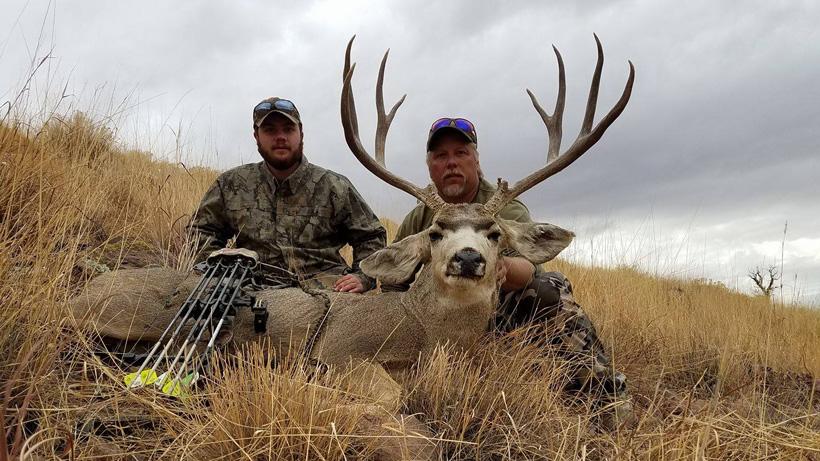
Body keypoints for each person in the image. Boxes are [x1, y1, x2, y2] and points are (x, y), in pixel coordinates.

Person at [386, 117, 633, 426]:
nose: (451, 163)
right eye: (441, 156)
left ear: (476, 161)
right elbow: (393, 274)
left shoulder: (504, 208)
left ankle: (605, 397)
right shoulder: (421, 217)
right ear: (430, 167)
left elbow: (531, 268)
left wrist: (500, 266)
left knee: (549, 290)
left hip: (497, 314)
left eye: (460, 153)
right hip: (438, 323)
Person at [190, 97, 386, 293]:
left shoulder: (334, 186)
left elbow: (371, 237)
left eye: (288, 129)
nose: (280, 137)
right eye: (269, 130)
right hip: (252, 291)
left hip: (329, 293)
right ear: (256, 136)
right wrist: (218, 269)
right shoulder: (230, 184)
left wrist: (363, 276)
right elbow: (200, 233)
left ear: (301, 133)